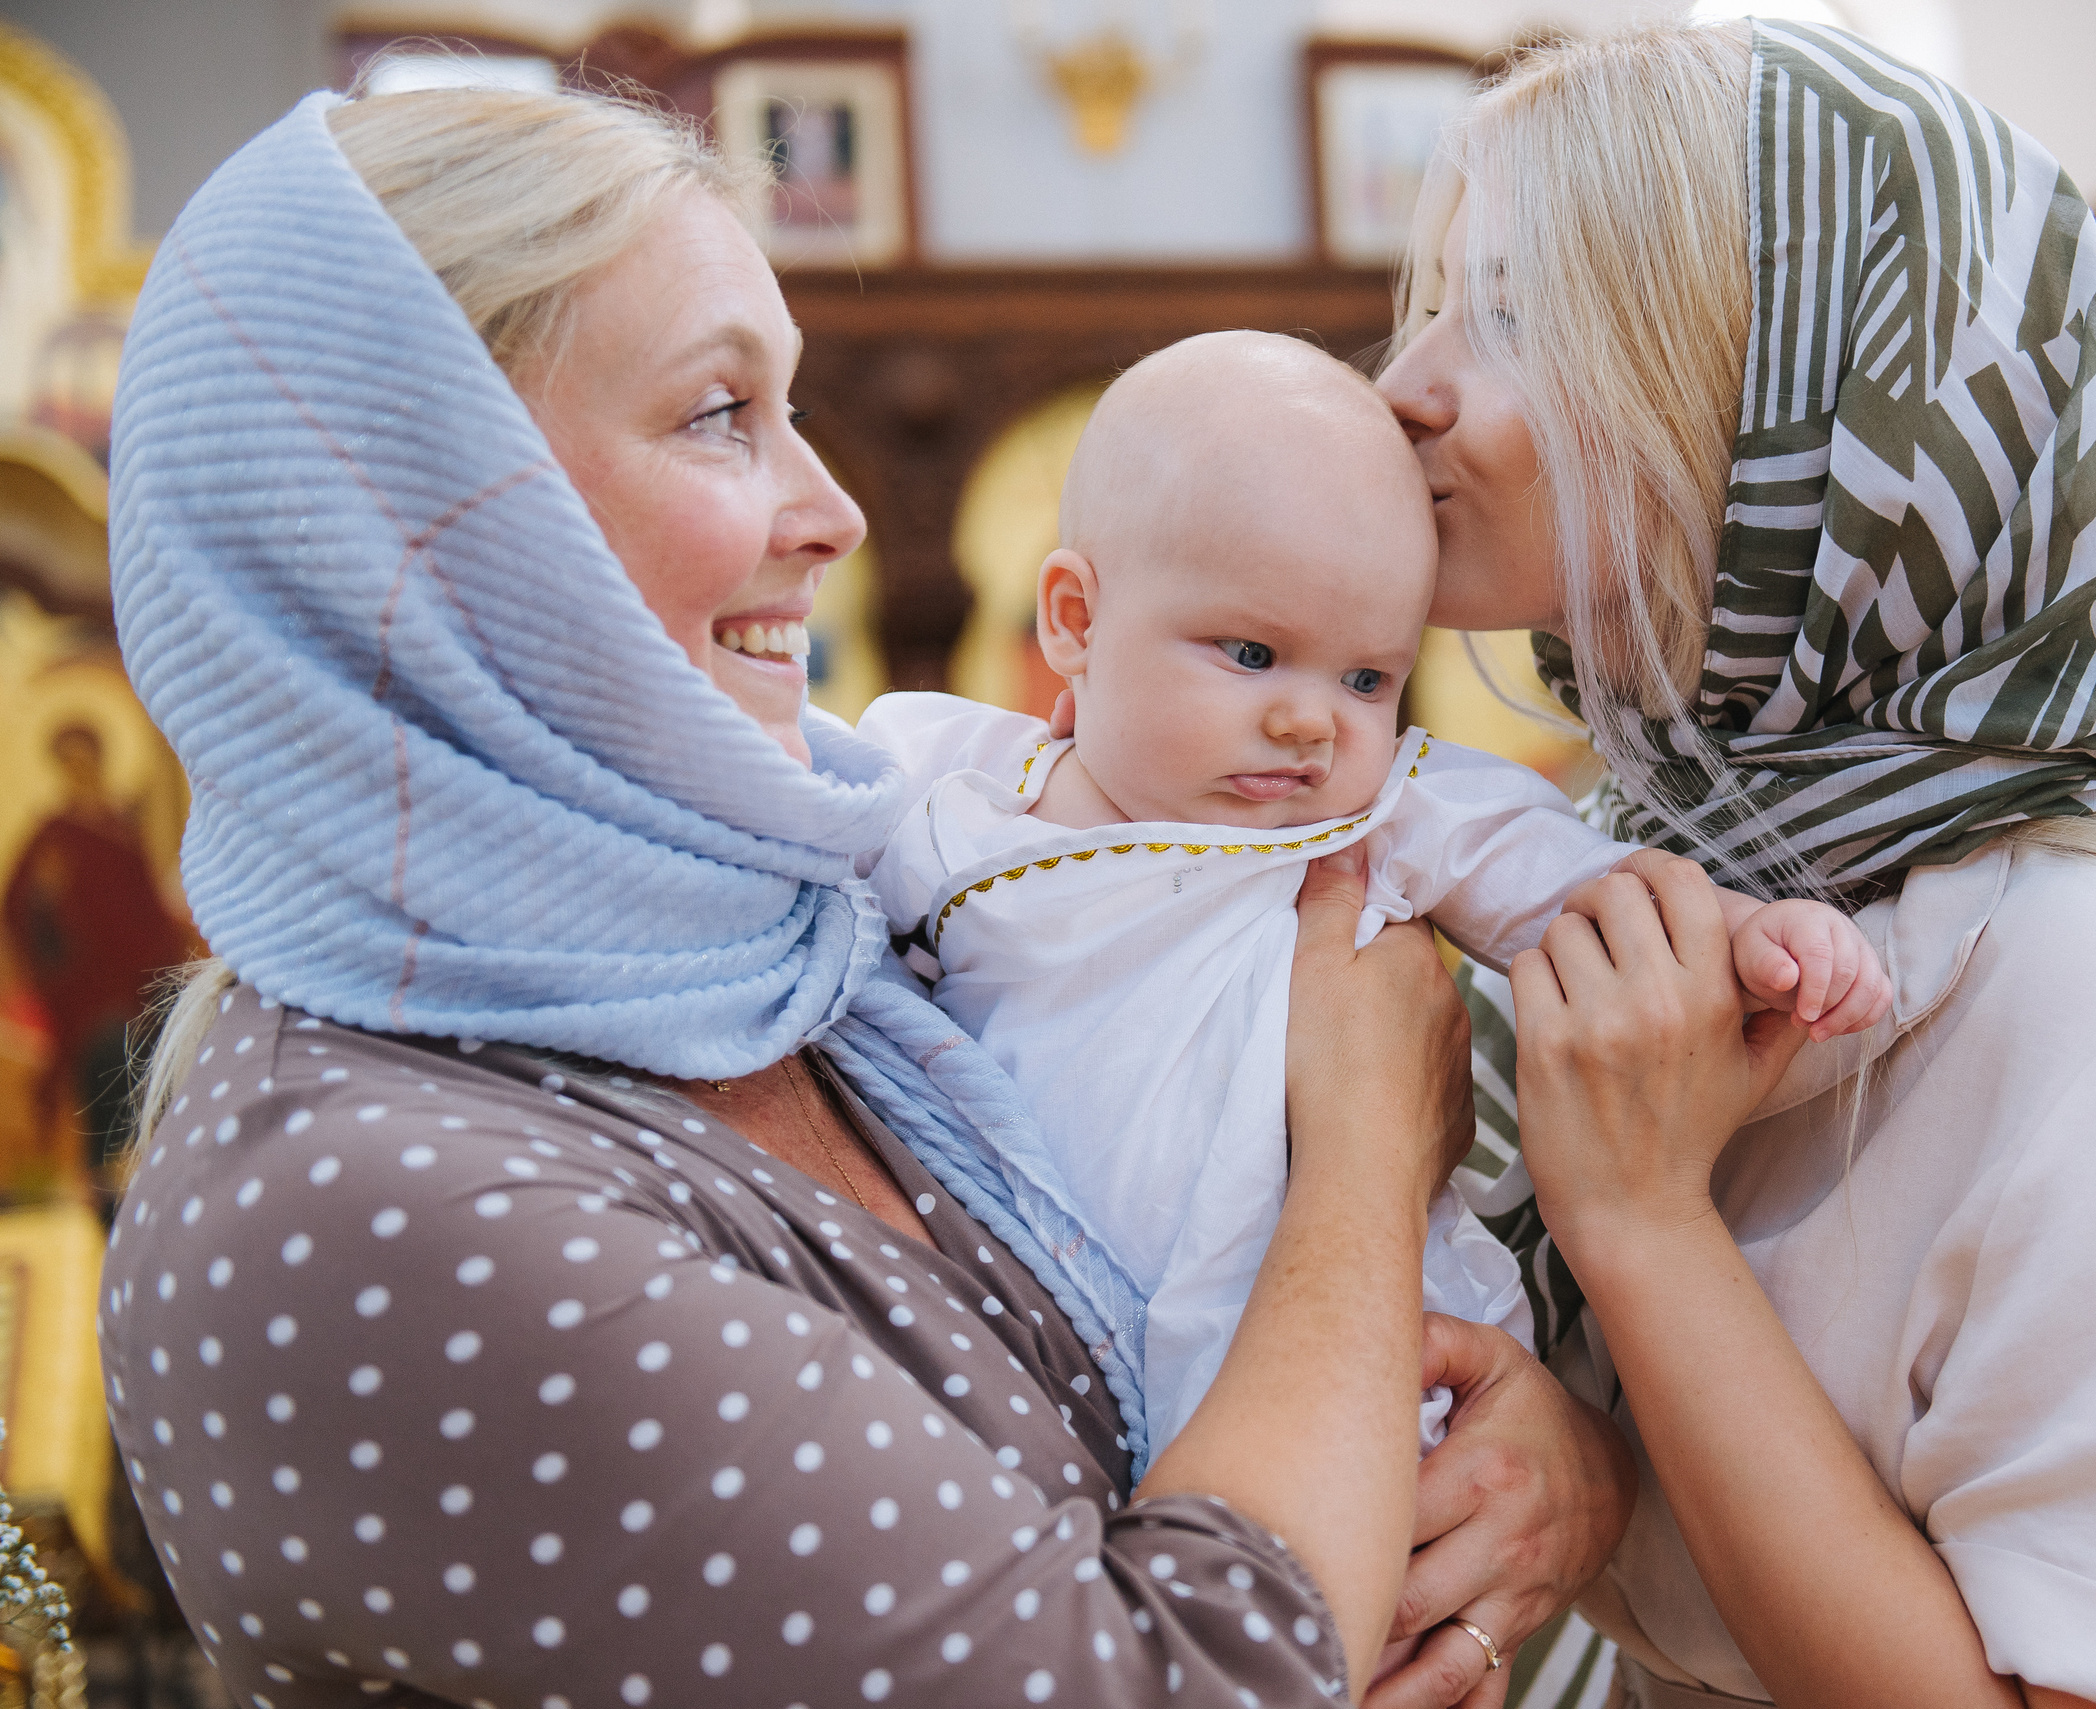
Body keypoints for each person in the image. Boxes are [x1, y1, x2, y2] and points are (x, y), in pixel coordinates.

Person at [99, 84, 1631, 1709]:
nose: (831, 514)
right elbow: (1159, 1681)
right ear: (420, 510)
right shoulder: (369, 1203)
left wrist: (1556, 1467)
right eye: (718, 413)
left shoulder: (793, 925)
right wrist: (1359, 1166)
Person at [1364, 19, 2096, 1709]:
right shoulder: (1638, 866)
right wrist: (1584, 1464)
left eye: (1520, 314)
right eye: (1433, 303)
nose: (1404, 379)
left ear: (1797, 406)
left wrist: (1638, 1220)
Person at [856, 329, 1888, 1465]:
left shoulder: (1381, 814)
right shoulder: (952, 788)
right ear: (1074, 620)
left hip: (1297, 1338)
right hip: (1011, 1331)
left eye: (1366, 678)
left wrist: (1754, 938)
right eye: (1250, 652)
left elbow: (1579, 889)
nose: (1311, 720)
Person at [3, 720, 194, 1189]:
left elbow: (148, 907)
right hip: (82, 990)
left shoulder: (122, 830)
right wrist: (46, 898)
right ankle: (100, 1175)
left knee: (149, 1059)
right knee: (106, 1058)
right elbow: (18, 907)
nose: (79, 769)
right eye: (69, 761)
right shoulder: (51, 834)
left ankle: (148, 1167)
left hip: (139, 979)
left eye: (85, 758)